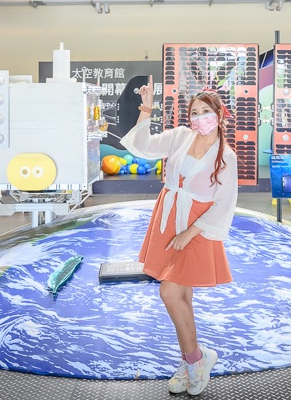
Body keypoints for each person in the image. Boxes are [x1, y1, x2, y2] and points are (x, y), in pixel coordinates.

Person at [120, 76, 238, 397]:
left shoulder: (226, 155)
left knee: (170, 293)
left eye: (206, 112)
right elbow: (143, 147)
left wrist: (190, 232)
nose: (200, 118)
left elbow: (224, 203)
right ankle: (193, 361)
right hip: (169, 217)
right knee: (181, 296)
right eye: (195, 112)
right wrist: (146, 108)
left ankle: (195, 361)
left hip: (198, 225)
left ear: (220, 114)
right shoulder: (181, 137)